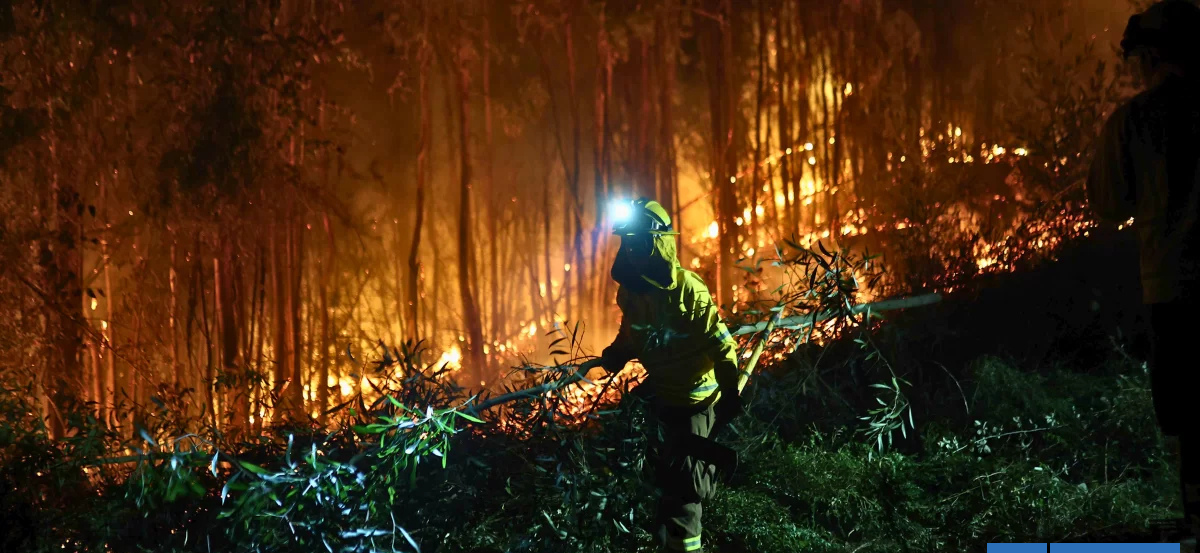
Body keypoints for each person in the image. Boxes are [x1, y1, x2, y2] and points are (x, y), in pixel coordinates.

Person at [1086, 0, 1200, 535]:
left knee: (1185, 421)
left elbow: (1108, 202)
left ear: (1151, 58)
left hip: (1172, 292)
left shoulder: (1134, 121)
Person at [599, 198, 743, 553]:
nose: (631, 250)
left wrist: (730, 394)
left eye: (639, 242)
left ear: (658, 243)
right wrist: (616, 354)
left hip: (695, 402)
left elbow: (721, 345)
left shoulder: (688, 290)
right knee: (654, 482)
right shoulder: (630, 292)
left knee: (685, 496)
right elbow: (633, 334)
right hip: (661, 396)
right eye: (627, 242)